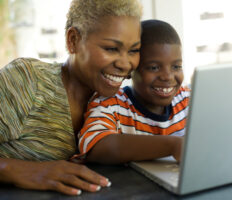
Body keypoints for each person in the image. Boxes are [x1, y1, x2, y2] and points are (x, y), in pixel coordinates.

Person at [0, 0, 142, 196]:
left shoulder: (118, 105)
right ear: (73, 40)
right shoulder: (28, 80)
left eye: (134, 50)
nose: (125, 64)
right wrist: (24, 170)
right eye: (111, 48)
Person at [75, 19, 190, 164]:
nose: (167, 76)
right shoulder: (110, 104)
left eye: (176, 67)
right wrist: (173, 145)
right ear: (131, 69)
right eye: (154, 68)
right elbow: (96, 146)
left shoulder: (187, 99)